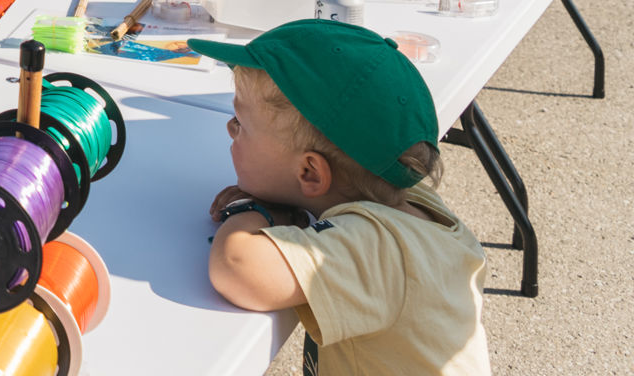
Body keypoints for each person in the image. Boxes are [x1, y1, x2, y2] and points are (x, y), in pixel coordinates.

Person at [190, 21, 489, 376]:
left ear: (310, 173)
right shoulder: (410, 204)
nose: (229, 129)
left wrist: (254, 210)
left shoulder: (377, 246)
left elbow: (238, 268)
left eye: (240, 122)